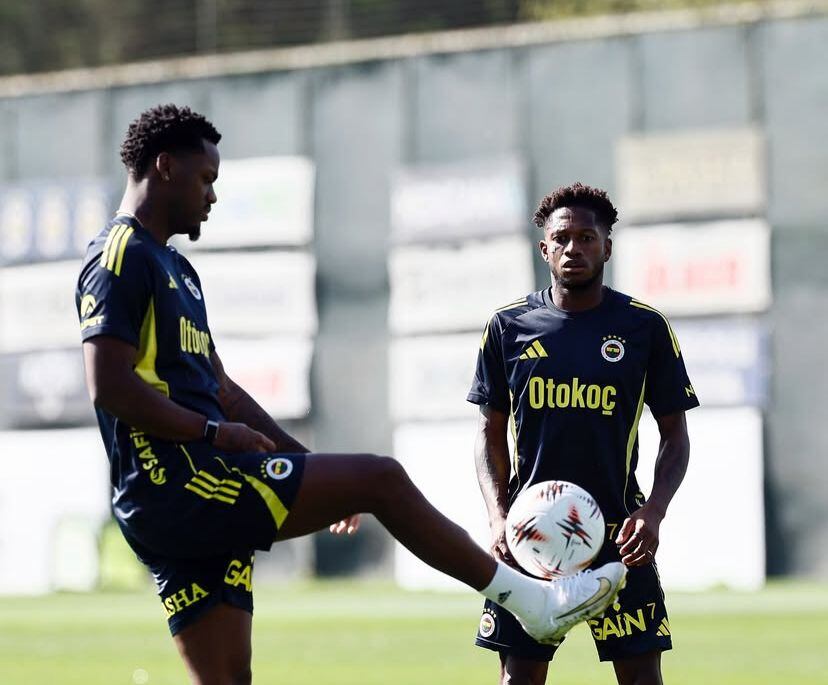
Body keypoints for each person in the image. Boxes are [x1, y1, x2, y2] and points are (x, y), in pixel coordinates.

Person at [74, 105, 627, 684]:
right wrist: (213, 434)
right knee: (380, 478)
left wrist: (304, 464)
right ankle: (531, 602)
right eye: (206, 179)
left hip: (193, 489)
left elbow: (223, 390)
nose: (212, 196)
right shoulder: (120, 256)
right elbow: (109, 384)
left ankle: (530, 602)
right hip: (178, 485)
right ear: (164, 167)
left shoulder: (178, 270)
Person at [469, 182, 699, 685]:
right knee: (519, 678)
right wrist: (497, 517)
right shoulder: (508, 327)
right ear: (545, 248)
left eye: (588, 237)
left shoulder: (645, 328)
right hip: (528, 538)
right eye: (564, 237)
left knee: (641, 679)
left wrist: (654, 511)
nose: (575, 248)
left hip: (621, 536)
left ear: (607, 247)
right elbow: (489, 434)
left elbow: (675, 435)